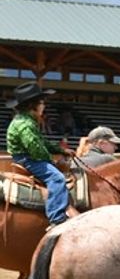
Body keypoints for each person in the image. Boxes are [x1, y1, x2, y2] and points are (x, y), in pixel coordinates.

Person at [5, 81, 76, 227]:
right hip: (28, 159)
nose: (44, 106)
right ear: (33, 105)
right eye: (42, 102)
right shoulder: (25, 124)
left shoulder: (27, 121)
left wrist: (61, 150)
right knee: (56, 178)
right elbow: (36, 150)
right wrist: (52, 160)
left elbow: (42, 143)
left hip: (28, 156)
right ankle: (57, 218)